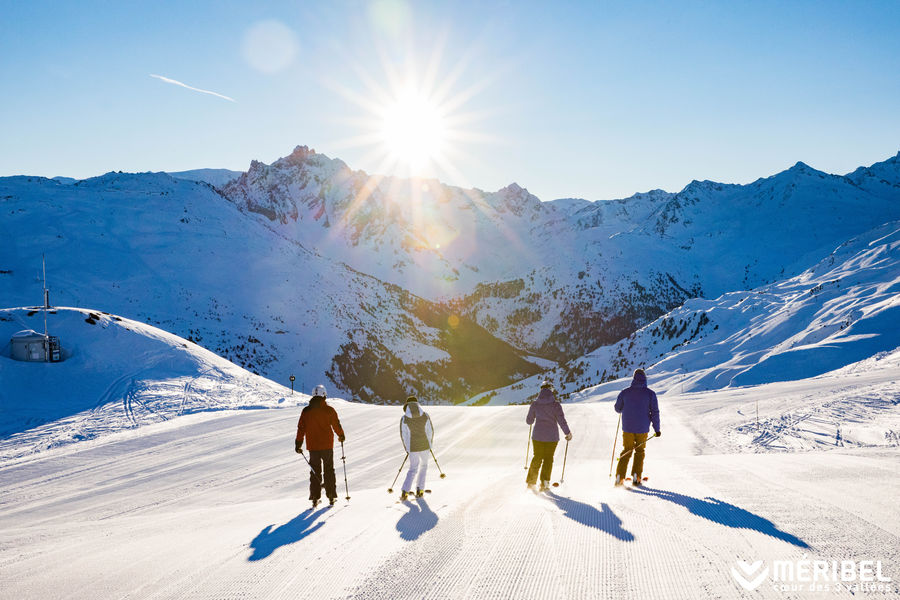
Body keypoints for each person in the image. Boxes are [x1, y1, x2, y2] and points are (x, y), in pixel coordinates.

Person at [295, 384, 345, 508]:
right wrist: (341, 435)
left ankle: (315, 498)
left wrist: (298, 443)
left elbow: (301, 428)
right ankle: (331, 495)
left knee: (315, 472)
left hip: (313, 447)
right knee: (329, 470)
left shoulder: (306, 411)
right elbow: (336, 424)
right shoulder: (329, 410)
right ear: (324, 395)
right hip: (327, 446)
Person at [614, 368, 660, 487]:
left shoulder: (625, 392)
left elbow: (617, 409)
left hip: (628, 428)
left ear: (634, 378)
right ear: (645, 378)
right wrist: (657, 429)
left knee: (627, 451)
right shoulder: (650, 394)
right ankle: (636, 477)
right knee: (639, 451)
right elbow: (655, 412)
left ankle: (619, 478)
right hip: (642, 428)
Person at [526, 381, 571, 491]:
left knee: (537, 457)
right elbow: (562, 421)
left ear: (541, 390)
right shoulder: (556, 405)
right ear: (551, 390)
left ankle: (531, 483)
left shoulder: (535, 404)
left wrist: (533, 418)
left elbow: (529, 421)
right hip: (552, 437)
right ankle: (544, 483)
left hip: (538, 436)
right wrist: (567, 433)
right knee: (548, 459)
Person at [399, 396, 434, 501]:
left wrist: (407, 448)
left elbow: (403, 435)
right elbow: (430, 431)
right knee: (424, 466)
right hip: (424, 446)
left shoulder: (404, 418)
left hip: (412, 447)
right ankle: (420, 489)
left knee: (413, 469)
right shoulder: (425, 415)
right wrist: (429, 444)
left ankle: (405, 491)